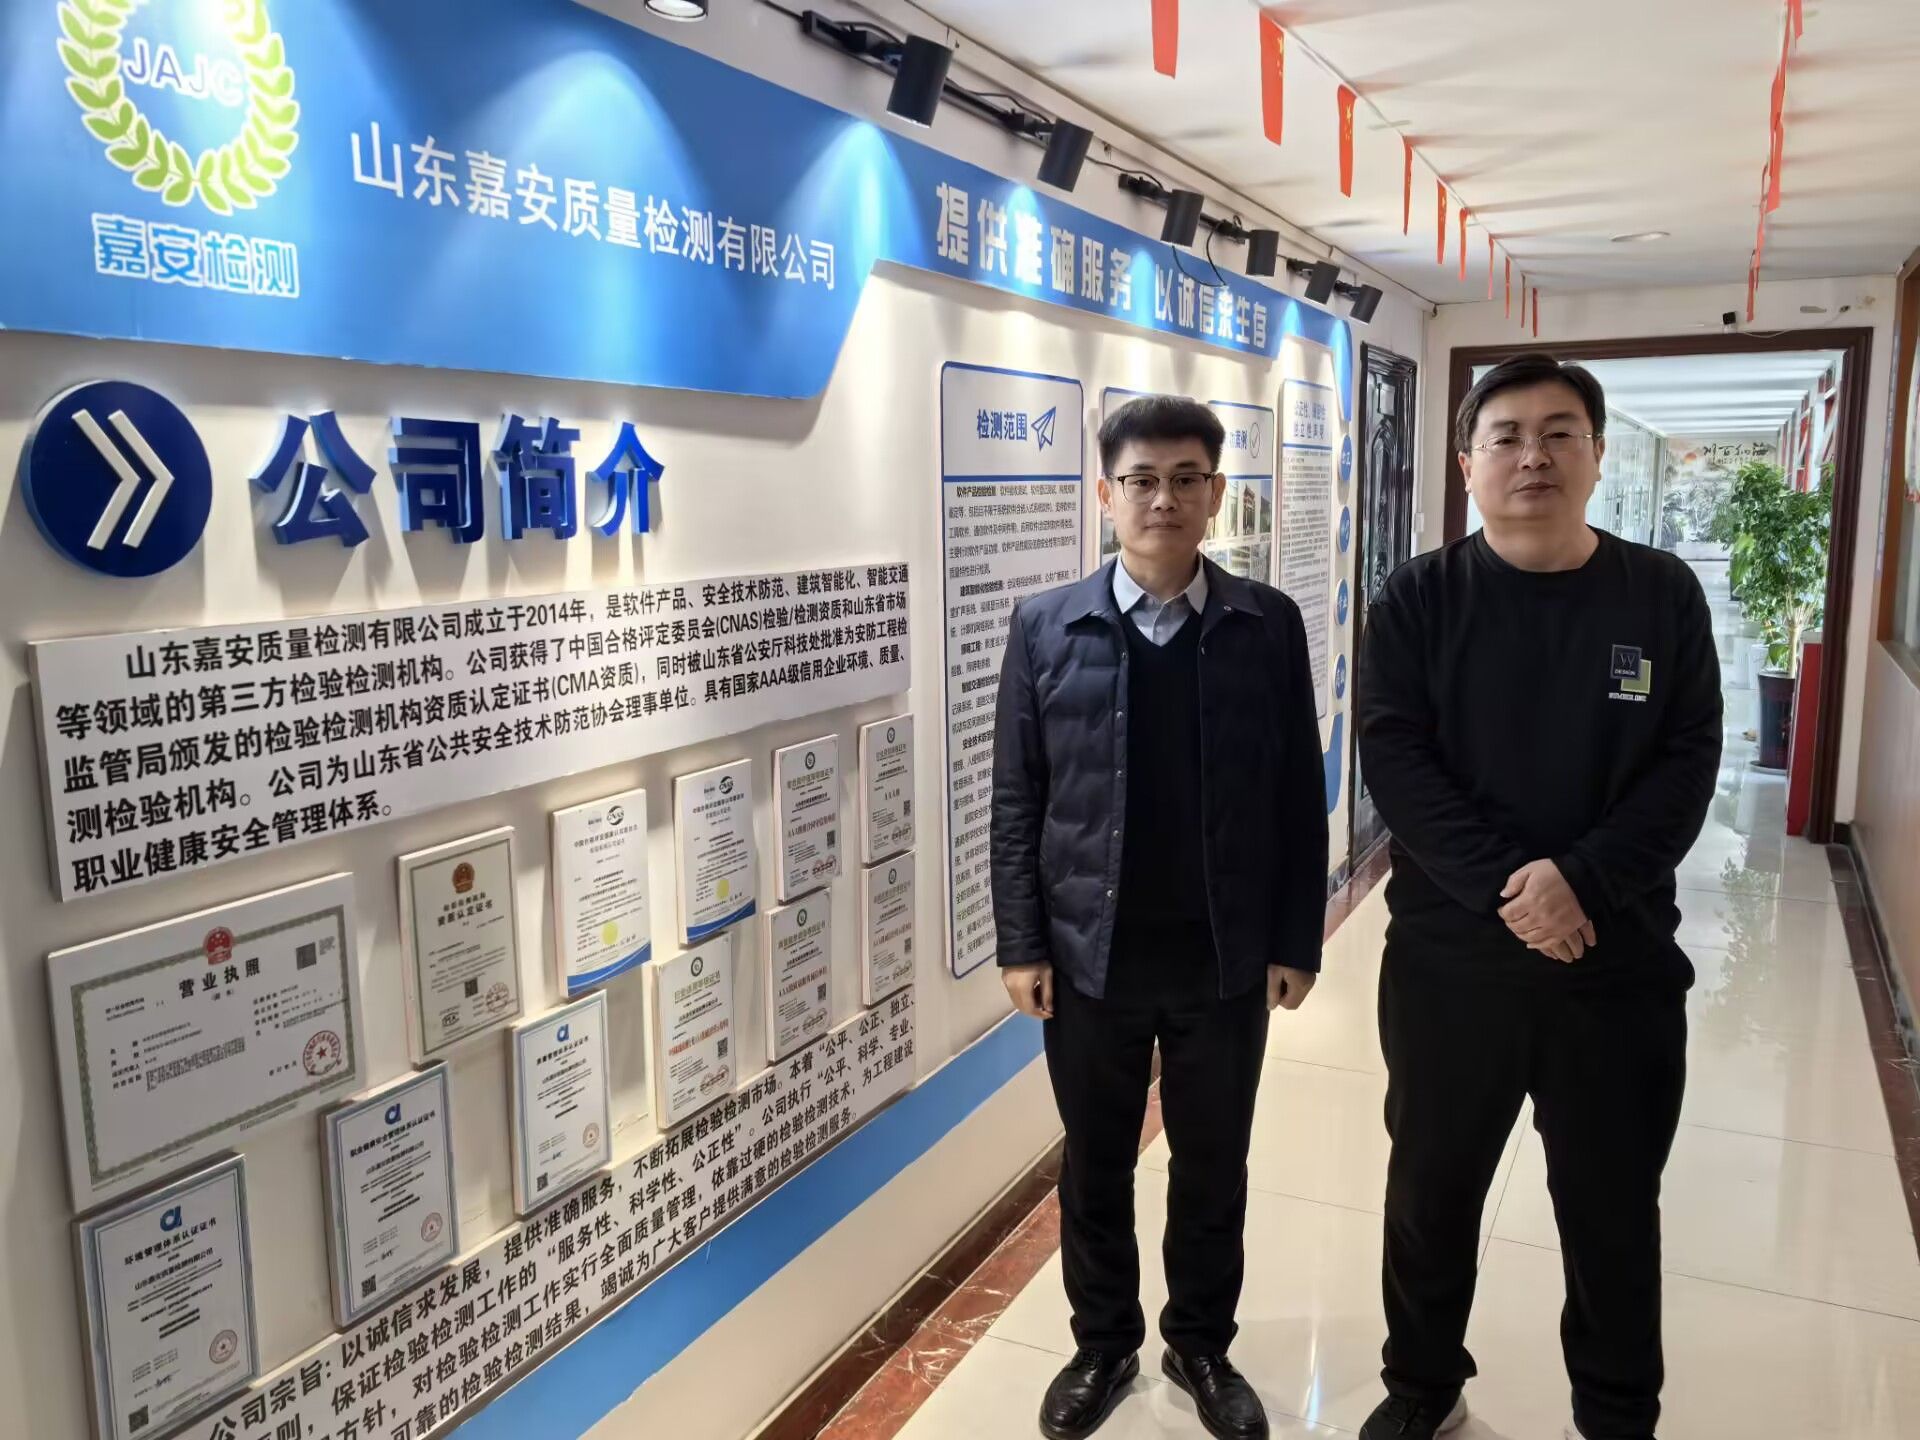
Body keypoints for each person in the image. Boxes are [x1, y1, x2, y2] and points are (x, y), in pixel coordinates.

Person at [1355, 356, 1722, 1440]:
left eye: (1560, 433)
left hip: (1617, 963)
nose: (1533, 456)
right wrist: (1512, 892)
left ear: (1598, 456)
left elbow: (1687, 764)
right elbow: (1397, 760)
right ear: (1467, 462)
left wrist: (1581, 882)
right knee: (1431, 1192)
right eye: (1506, 436)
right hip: (1451, 964)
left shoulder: (1661, 594)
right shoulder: (1417, 598)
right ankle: (1422, 1387)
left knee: (1612, 1207)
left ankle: (1616, 1411)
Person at [992, 395, 1329, 1440]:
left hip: (1223, 952)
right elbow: (1017, 797)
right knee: (1094, 1162)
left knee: (1212, 1164)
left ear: (1217, 494)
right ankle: (1103, 1345)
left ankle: (1200, 1343)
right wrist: (1020, 943)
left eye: (1187, 479)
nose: (1164, 500)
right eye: (1141, 480)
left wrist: (1296, 938)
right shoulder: (1047, 624)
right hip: (1089, 954)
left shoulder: (1266, 624)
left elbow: (1296, 791)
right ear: (1106, 494)